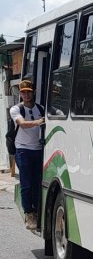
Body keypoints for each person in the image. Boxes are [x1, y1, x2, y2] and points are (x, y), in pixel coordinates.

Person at [10, 80, 45, 232]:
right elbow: (22, 124)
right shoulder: (16, 109)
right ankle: (29, 213)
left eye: (28, 91)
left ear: (33, 92)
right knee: (26, 183)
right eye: (23, 92)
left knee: (38, 182)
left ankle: (37, 211)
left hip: (38, 149)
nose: (26, 94)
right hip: (22, 150)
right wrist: (38, 122)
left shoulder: (41, 109)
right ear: (20, 93)